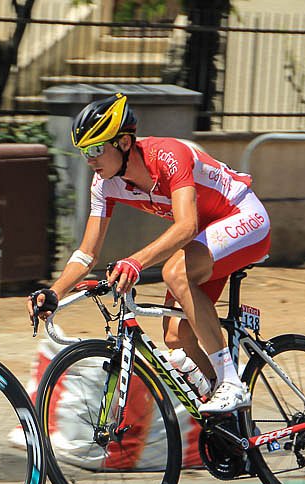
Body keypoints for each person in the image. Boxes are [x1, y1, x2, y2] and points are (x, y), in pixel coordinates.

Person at [28, 93, 270, 414]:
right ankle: (230, 419)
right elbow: (87, 253)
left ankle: (231, 384)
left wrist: (136, 261)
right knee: (175, 337)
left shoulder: (169, 155)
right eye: (85, 152)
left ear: (125, 142)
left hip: (242, 217)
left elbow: (186, 226)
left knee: (175, 272)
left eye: (98, 149)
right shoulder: (104, 184)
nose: (91, 160)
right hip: (207, 237)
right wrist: (55, 292)